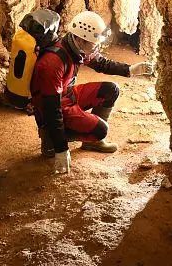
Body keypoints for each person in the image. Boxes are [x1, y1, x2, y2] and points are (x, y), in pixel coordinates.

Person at [31, 10, 154, 174]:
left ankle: (91, 142)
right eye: (95, 43)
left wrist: (130, 70)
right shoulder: (53, 63)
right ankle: (50, 141)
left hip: (66, 95)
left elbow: (101, 63)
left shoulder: (76, 46)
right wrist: (61, 148)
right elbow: (51, 109)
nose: (98, 47)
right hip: (53, 106)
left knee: (110, 90)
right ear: (81, 39)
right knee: (100, 130)